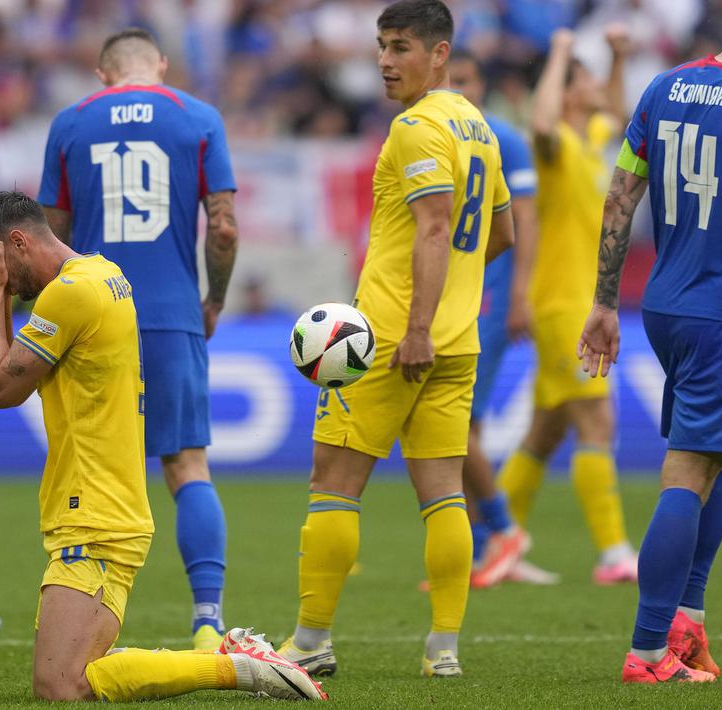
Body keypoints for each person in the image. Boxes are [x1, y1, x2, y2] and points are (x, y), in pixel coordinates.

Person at [0, 191, 324, 702]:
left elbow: (0, 389)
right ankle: (231, 660)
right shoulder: (105, 273)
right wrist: (2, 285)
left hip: (92, 511)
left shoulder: (68, 296)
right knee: (70, 673)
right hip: (108, 504)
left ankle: (234, 665)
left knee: (61, 684)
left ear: (18, 243)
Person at [578, 0, 722, 684]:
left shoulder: (664, 86)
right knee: (690, 468)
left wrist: (602, 301)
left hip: (665, 303)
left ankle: (686, 624)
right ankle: (649, 651)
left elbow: (620, 195)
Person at [278, 0, 514, 679]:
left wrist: (413, 327)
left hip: (386, 341)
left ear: (440, 53)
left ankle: (309, 643)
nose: (384, 60)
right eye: (380, 46)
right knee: (442, 493)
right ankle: (443, 650)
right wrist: (454, 304)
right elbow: (499, 235)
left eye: (401, 47)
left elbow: (436, 227)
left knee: (333, 483)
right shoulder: (478, 125)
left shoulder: (415, 127)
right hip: (458, 340)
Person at [36, 28, 239, 651]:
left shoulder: (71, 122)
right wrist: (214, 298)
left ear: (103, 74)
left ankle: (85, 620)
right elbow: (225, 229)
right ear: (162, 67)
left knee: (92, 472)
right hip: (171, 309)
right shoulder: (198, 117)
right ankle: (207, 621)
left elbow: (51, 236)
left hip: (96, 316)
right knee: (186, 465)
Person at [496, 24, 639, 585]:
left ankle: (493, 543)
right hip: (561, 303)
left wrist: (616, 56)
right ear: (568, 89)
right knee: (596, 418)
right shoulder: (551, 147)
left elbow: (625, 117)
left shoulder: (591, 137)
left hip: (579, 299)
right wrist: (557, 53)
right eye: (586, 79)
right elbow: (538, 119)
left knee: (544, 431)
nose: (596, 86)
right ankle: (612, 553)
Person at [446, 49, 557, 589]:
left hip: (486, 304)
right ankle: (479, 551)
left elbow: (525, 225)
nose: (457, 89)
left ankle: (503, 530)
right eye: (449, 81)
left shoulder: (503, 139)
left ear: (482, 84)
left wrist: (520, 295)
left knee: (459, 426)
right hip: (451, 300)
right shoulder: (433, 134)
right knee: (461, 430)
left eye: (465, 80)